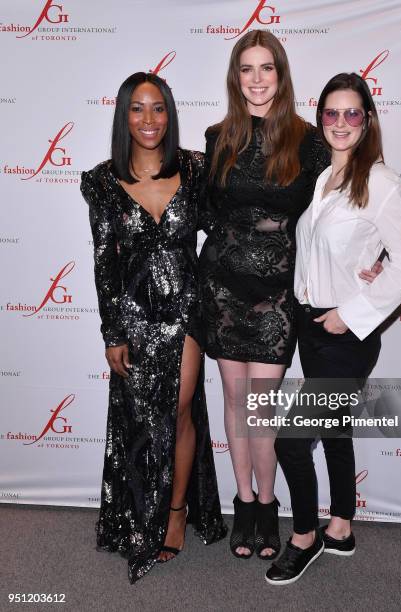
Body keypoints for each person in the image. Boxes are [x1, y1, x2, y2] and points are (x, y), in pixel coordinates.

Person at [266, 72, 401, 585]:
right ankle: (342, 528)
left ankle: (305, 537)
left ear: (367, 120)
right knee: (333, 431)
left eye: (351, 113)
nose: (340, 122)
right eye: (330, 113)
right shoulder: (323, 178)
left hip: (346, 333)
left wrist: (349, 313)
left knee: (290, 441)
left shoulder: (379, 182)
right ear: (321, 120)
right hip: (313, 326)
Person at [80, 72, 226, 584]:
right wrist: (112, 333)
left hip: (186, 311)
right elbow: (103, 261)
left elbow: (227, 228)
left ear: (170, 114)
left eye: (158, 108)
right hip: (134, 315)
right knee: (140, 419)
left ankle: (176, 510)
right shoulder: (100, 180)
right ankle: (135, 510)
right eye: (138, 109)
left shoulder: (195, 167)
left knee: (181, 407)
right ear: (124, 116)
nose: (149, 119)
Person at [198, 30, 331, 560]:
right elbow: (206, 210)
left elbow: (328, 216)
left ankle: (270, 502)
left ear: (281, 74)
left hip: (278, 292)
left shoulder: (308, 140)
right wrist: (239, 232)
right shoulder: (218, 136)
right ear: (236, 77)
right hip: (224, 286)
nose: (256, 79)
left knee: (261, 405)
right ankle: (246, 502)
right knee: (234, 399)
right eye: (246, 69)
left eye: (266, 68)